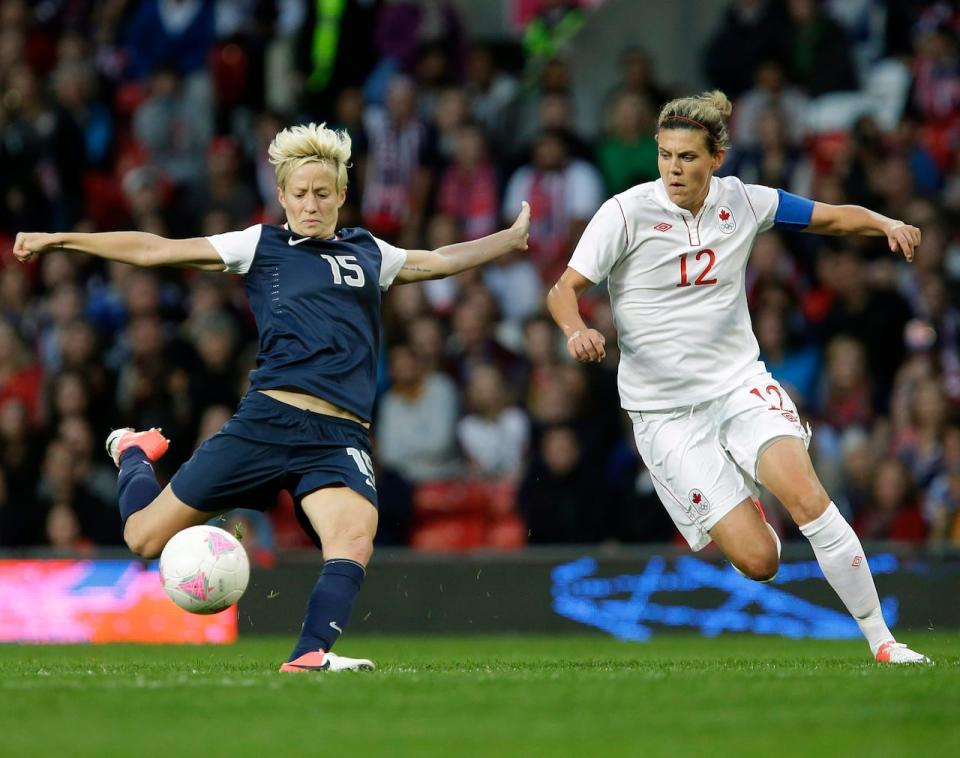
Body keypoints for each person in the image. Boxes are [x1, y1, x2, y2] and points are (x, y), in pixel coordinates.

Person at [14, 122, 530, 672]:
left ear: (341, 196)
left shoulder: (369, 251)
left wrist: (509, 237)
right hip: (268, 421)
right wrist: (58, 240)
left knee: (353, 538)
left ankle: (308, 655)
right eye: (301, 194)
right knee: (143, 539)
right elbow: (152, 250)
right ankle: (133, 453)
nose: (311, 204)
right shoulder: (260, 244)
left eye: (323, 194)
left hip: (339, 436)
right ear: (281, 195)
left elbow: (442, 259)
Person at [546, 90, 931, 665]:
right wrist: (576, 330)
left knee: (807, 497)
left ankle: (883, 642)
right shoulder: (624, 213)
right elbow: (563, 290)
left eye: (688, 158)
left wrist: (884, 222)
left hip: (738, 387)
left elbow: (827, 217)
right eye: (666, 156)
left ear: (716, 158)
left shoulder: (745, 203)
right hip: (666, 417)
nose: (674, 169)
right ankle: (741, 497)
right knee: (760, 562)